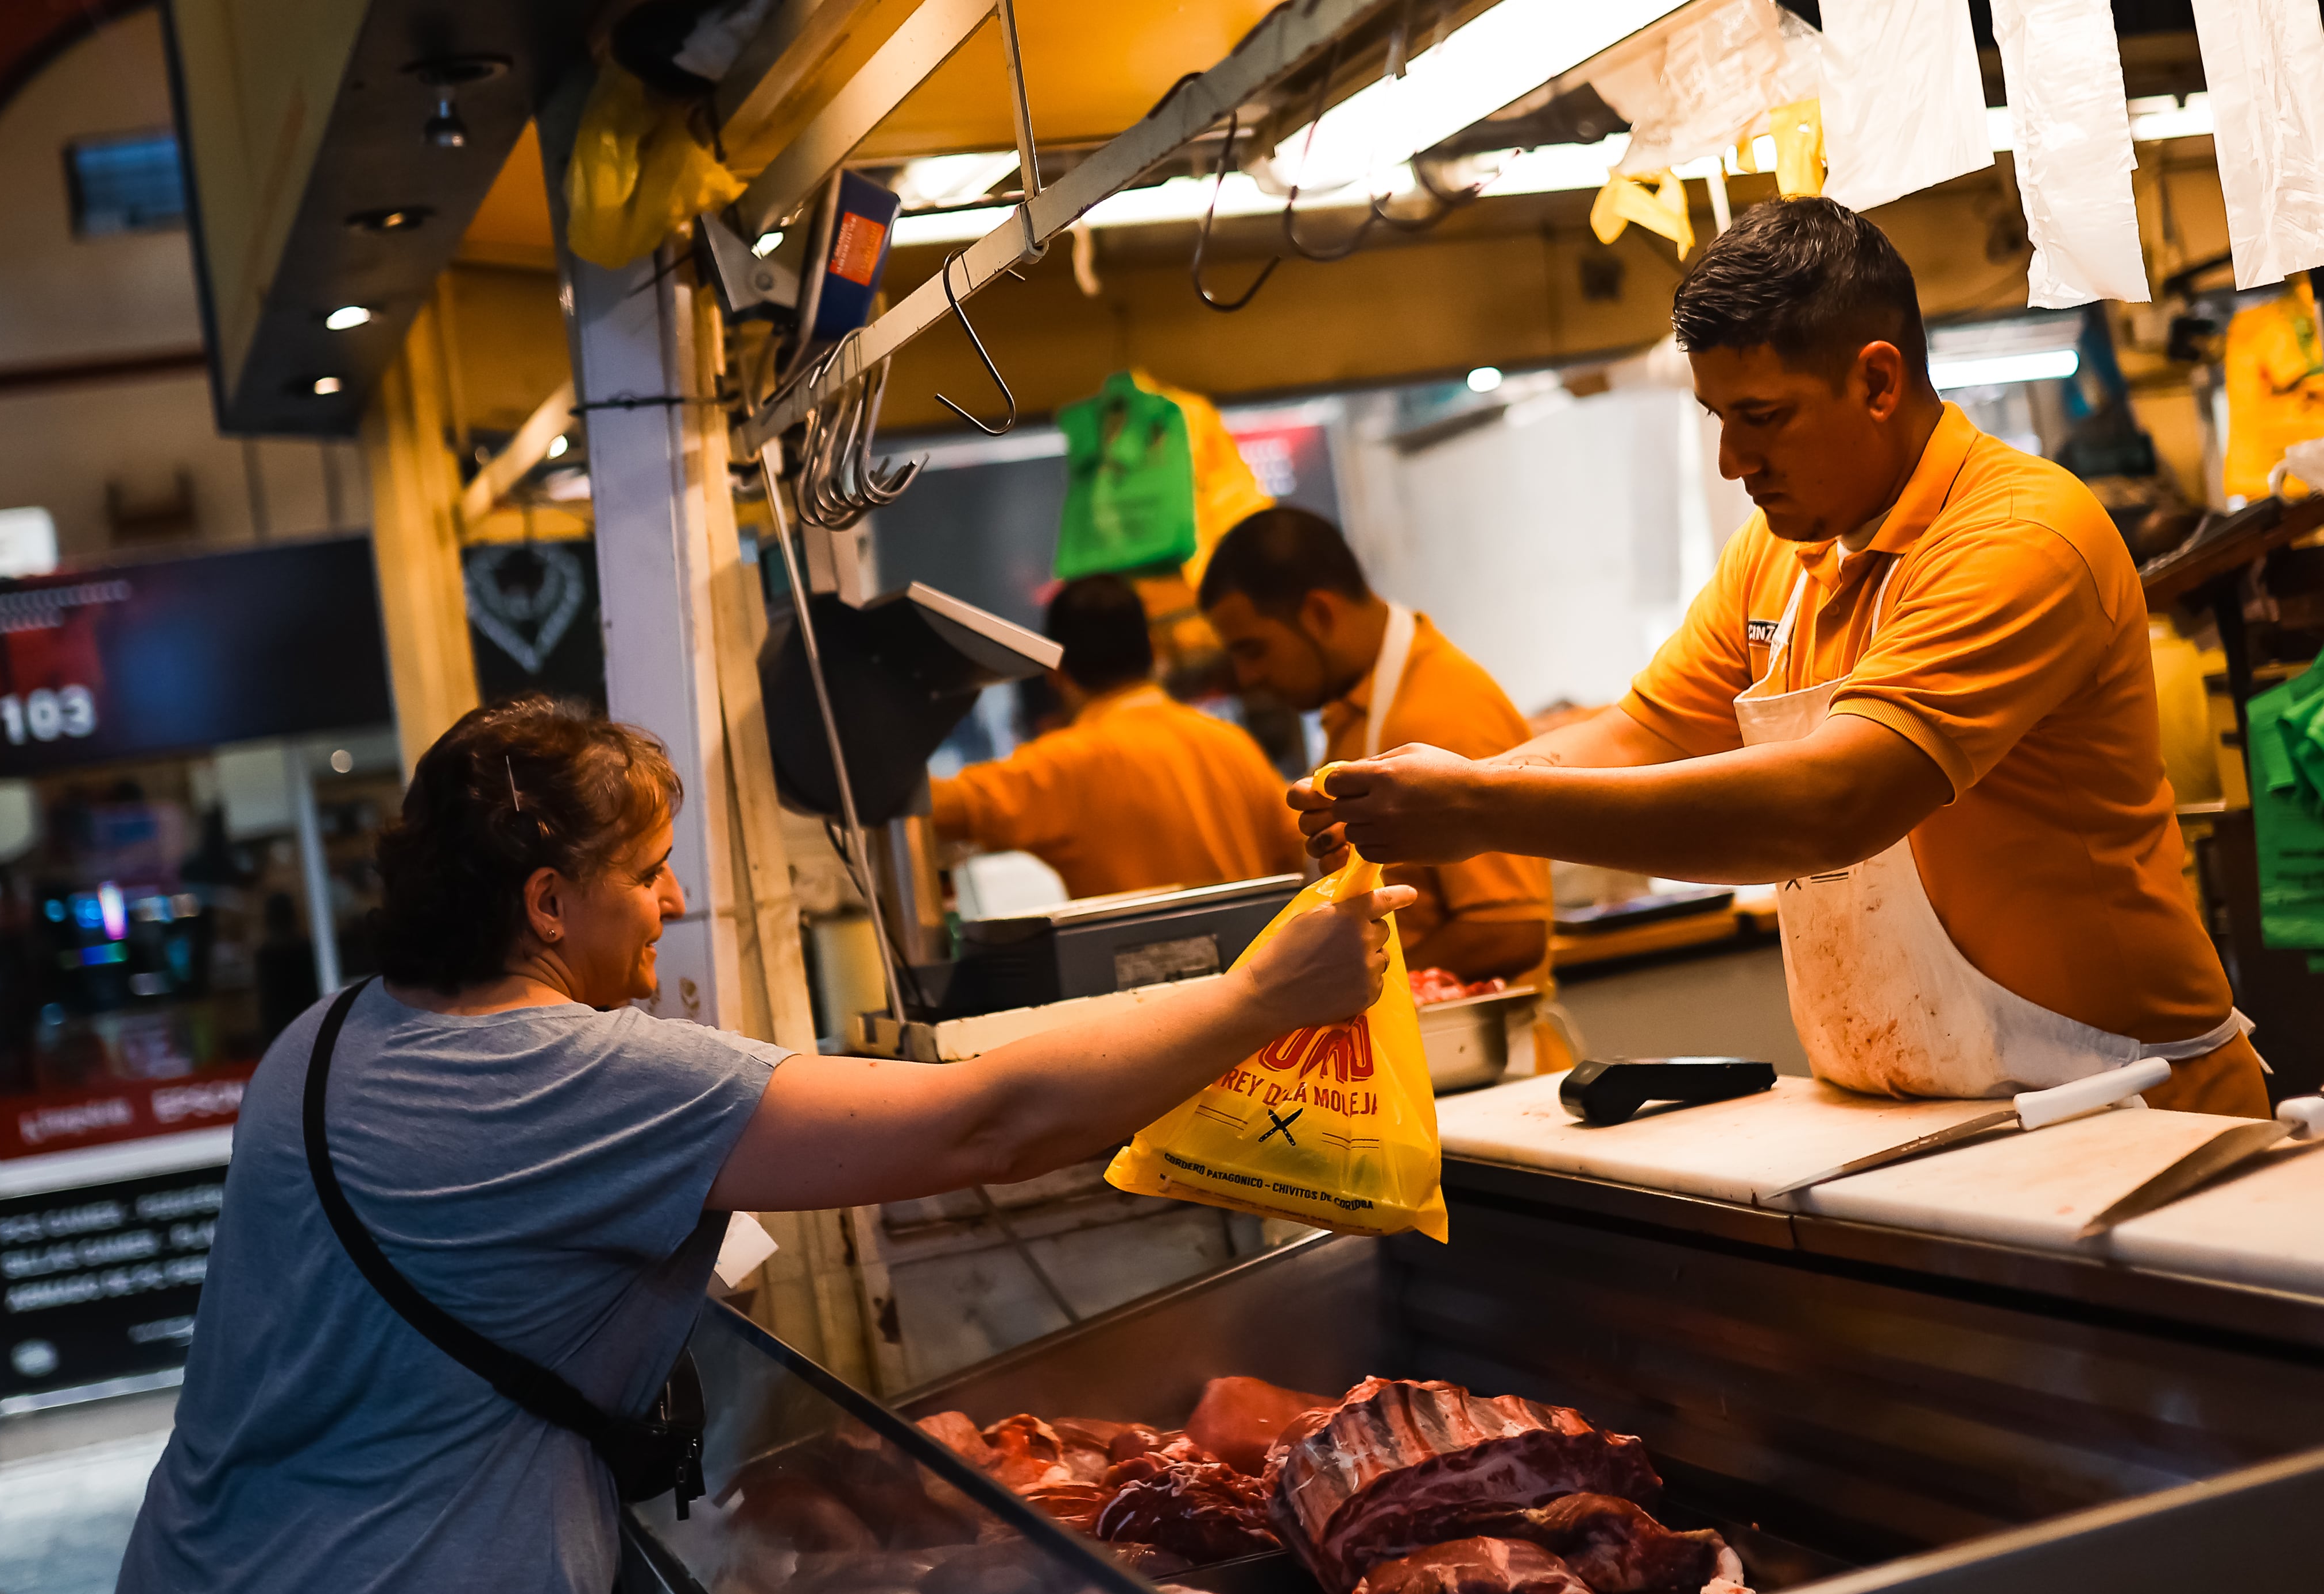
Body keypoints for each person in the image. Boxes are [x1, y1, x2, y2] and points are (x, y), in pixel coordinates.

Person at [104, 695, 1406, 1594]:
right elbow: (989, 1128)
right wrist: (1262, 994)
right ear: (548, 902)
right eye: (648, 870)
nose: (671, 900)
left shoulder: (322, 1042)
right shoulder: (576, 1078)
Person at [1293, 198, 2265, 1118]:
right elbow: (1647, 732)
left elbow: (1836, 802)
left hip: (2130, 1099)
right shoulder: (1780, 555)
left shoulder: (2019, 535)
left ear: (1878, 382)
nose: (1732, 461)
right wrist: (1430, 796)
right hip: (1923, 1109)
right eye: (1719, 420)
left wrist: (1481, 808)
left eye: (1761, 417)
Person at [1202, 508, 1554, 988]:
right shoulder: (1356, 706)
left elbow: (1508, 932)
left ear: (1319, 613)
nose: (1247, 678)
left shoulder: (1442, 711)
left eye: (1253, 649)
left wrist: (1333, 986)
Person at [930, 574, 1303, 898]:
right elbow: (1301, 848)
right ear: (1155, 651)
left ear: (1057, 673)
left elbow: (940, 807)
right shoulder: (1234, 745)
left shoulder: (1064, 765)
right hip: (1262, 968)